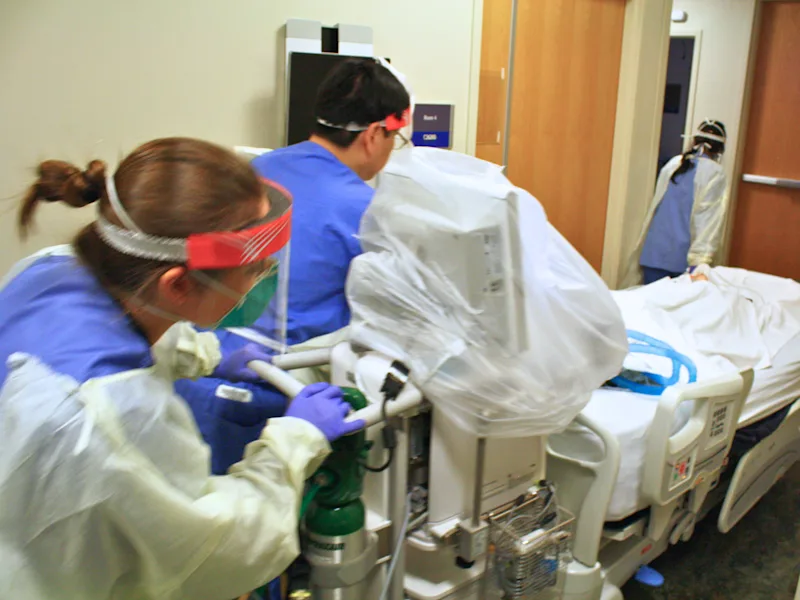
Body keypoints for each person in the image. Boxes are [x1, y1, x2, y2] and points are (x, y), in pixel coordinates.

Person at [0, 137, 363, 600]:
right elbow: (218, 546)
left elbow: (118, 319)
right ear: (178, 285)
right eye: (253, 267)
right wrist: (294, 441)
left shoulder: (51, 268)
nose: (265, 273)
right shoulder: (118, 412)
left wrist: (207, 354)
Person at [175, 57, 412, 475]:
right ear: (376, 134)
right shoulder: (365, 210)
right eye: (396, 138)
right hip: (272, 401)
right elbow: (399, 311)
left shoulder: (252, 171)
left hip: (192, 373)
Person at [633, 119, 728, 285]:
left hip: (653, 253)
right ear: (720, 150)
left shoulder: (674, 164)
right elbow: (708, 221)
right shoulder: (715, 173)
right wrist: (700, 262)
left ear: (693, 140)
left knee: (650, 306)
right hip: (680, 261)